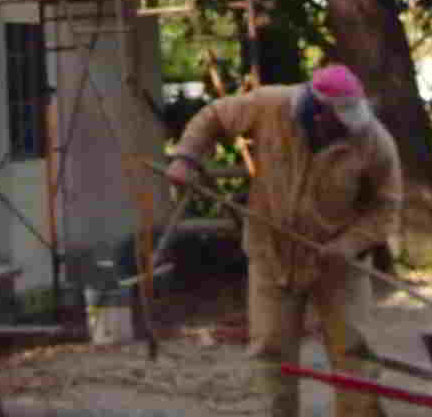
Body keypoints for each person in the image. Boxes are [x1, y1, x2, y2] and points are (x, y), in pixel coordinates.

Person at [165, 64, 403, 417]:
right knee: (270, 355)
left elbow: (386, 208)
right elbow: (213, 117)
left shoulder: (373, 140)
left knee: (354, 351)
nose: (347, 127)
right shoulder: (270, 105)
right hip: (270, 252)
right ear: (318, 111)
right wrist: (186, 158)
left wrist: (349, 245)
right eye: (340, 119)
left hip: (338, 262)